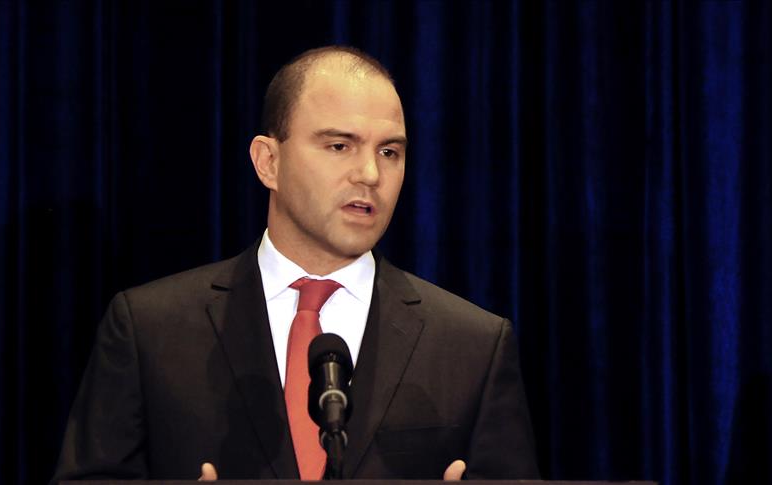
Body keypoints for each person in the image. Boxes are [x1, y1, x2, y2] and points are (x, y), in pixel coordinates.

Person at [50, 46, 539, 483]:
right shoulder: (149, 329)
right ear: (268, 161)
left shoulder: (473, 346)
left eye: (389, 152)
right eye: (339, 146)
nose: (371, 174)